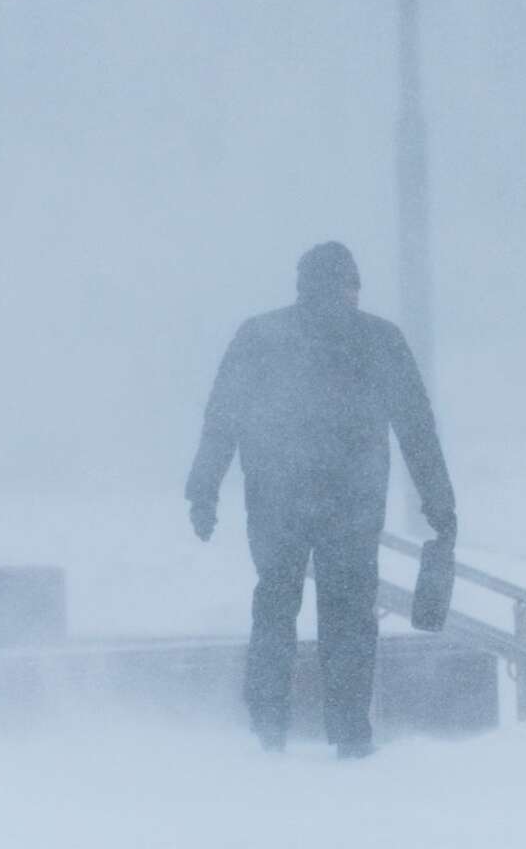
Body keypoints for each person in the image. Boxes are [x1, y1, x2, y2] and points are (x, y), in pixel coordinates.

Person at [186, 242, 456, 759]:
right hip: (351, 503)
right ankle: (351, 732)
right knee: (351, 613)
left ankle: (268, 728)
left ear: (300, 285)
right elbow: (417, 430)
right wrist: (440, 507)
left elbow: (223, 417)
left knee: (274, 604)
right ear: (351, 285)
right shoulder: (379, 340)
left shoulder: (260, 335)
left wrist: (203, 490)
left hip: (275, 498)